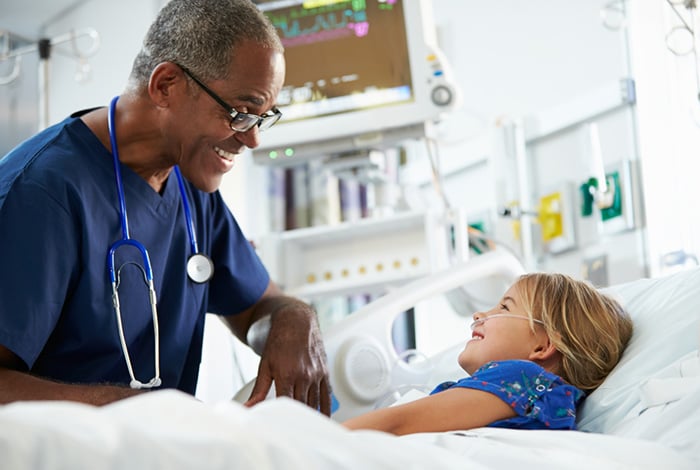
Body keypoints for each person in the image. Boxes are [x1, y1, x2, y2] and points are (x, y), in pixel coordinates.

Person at [0, 0, 332, 414]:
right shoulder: (43, 194)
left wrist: (293, 319)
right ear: (166, 86)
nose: (251, 140)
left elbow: (261, 307)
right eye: (241, 113)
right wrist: (128, 410)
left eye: (262, 118)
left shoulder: (192, 188)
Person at [343, 272, 633, 434]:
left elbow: (397, 423)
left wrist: (314, 438)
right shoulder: (542, 399)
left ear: (542, 347)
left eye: (505, 307)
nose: (480, 313)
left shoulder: (524, 380)